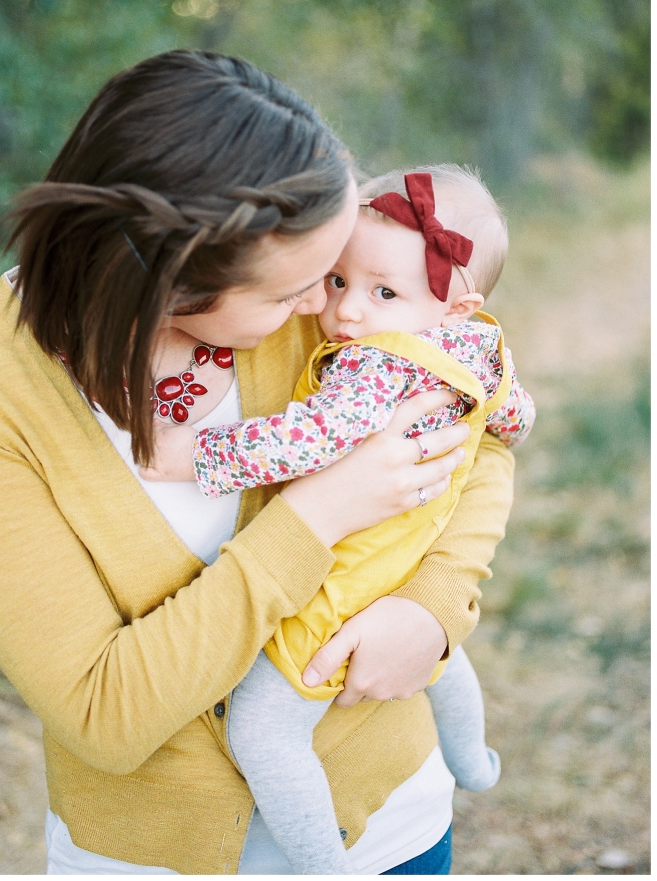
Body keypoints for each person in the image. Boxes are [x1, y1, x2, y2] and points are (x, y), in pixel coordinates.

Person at [0, 50, 514, 875]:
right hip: (154, 856)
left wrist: (433, 609)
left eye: (331, 278)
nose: (323, 308)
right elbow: (106, 708)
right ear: (170, 285)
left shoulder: (325, 273)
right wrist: (318, 514)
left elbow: (479, 435)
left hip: (387, 825)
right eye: (293, 292)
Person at [144, 165, 535, 873]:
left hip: (348, 566)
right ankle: (473, 760)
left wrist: (194, 458)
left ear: (455, 306)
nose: (348, 312)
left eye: (383, 292)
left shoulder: (371, 370)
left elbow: (304, 439)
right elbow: (514, 417)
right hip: (412, 553)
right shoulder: (484, 348)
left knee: (262, 729)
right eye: (339, 281)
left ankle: (321, 862)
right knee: (439, 653)